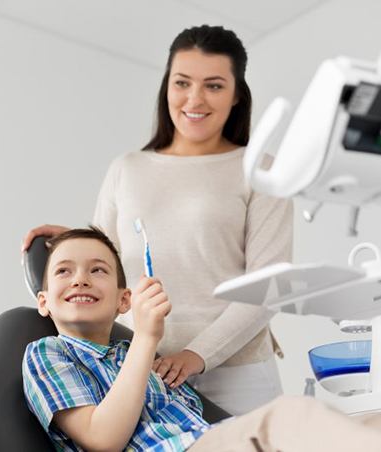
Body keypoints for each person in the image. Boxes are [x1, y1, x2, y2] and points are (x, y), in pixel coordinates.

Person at [22, 24, 293, 415]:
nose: (194, 98)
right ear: (167, 86)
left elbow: (268, 289)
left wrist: (195, 355)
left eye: (214, 85)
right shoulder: (127, 169)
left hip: (239, 374)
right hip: (143, 367)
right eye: (182, 82)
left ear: (236, 95)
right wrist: (72, 241)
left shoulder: (261, 171)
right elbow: (110, 262)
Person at [23, 227, 381, 452]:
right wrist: (147, 338)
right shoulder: (48, 353)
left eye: (97, 270)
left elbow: (198, 421)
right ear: (43, 301)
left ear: (124, 300)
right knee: (291, 416)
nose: (81, 279)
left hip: (211, 437)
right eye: (64, 270)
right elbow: (102, 440)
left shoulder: (134, 357)